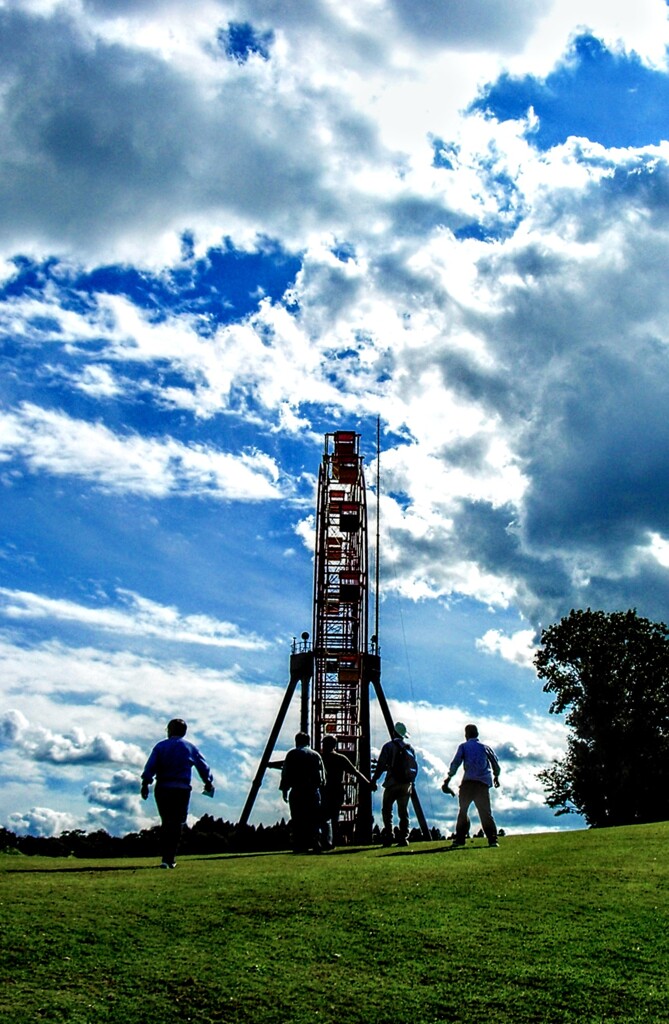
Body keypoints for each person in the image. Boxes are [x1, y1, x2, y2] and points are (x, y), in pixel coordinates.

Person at [141, 718, 214, 868]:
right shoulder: (190, 748)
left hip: (163, 788)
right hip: (181, 790)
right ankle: (170, 858)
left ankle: (165, 858)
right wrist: (208, 782)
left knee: (166, 822)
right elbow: (203, 766)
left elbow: (150, 766)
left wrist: (145, 783)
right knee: (176, 823)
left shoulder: (160, 747)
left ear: (169, 730)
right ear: (184, 732)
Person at [442, 723, 501, 848]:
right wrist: (496, 776)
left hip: (468, 784)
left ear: (466, 735)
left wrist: (448, 778)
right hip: (482, 784)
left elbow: (456, 763)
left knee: (463, 811)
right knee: (485, 812)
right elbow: (495, 764)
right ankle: (492, 839)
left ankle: (460, 839)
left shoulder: (463, 747)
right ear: (477, 734)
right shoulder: (485, 747)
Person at [320, 734, 372, 849]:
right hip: (337, 791)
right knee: (334, 818)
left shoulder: (320, 758)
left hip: (324, 791)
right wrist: (368, 783)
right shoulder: (340, 758)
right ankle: (333, 842)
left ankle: (325, 841)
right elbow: (355, 772)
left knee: (323, 817)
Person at [370, 722, 417, 847]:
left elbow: (380, 766)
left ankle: (389, 837)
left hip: (392, 783)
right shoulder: (409, 748)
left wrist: (374, 780)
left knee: (387, 810)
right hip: (406, 784)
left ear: (393, 733)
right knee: (403, 812)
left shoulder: (388, 746)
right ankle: (403, 838)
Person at [280, 731, 326, 853]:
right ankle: (316, 843)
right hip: (313, 791)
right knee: (314, 818)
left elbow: (286, 772)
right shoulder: (315, 755)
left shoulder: (292, 754)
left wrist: (284, 789)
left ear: (296, 741)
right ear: (308, 741)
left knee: (297, 818)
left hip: (297, 790)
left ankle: (299, 844)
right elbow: (322, 776)